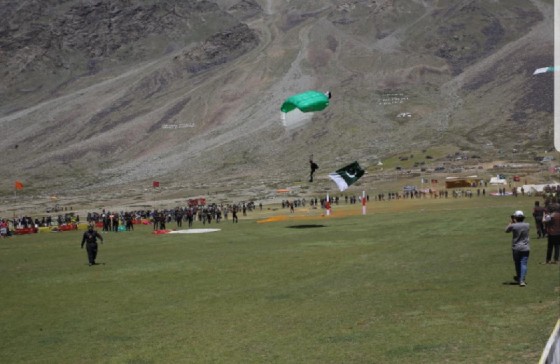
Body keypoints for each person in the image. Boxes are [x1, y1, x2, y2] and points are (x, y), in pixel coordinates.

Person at [505, 210, 530, 286]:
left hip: (516, 247)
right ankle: (522, 280)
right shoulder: (527, 225)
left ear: (515, 217)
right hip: (525, 247)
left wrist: (512, 222)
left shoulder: (513, 226)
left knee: (517, 263)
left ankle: (519, 278)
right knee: (524, 263)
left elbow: (506, 230)